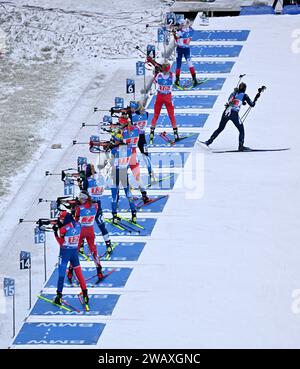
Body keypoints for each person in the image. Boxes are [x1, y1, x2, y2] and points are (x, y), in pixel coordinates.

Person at [204, 82, 255, 151]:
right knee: (241, 130)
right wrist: (256, 99)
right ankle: (241, 146)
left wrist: (241, 101)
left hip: (226, 112)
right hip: (234, 114)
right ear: (245, 89)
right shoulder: (245, 95)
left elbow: (230, 100)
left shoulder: (234, 93)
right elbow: (252, 105)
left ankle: (208, 142)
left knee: (220, 128)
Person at [52, 211, 89, 306]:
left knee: (61, 274)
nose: (60, 220)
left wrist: (55, 233)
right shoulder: (78, 225)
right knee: (79, 274)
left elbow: (61, 242)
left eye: (62, 219)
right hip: (74, 252)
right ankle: (85, 294)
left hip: (64, 253)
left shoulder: (63, 229)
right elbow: (71, 227)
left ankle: (58, 296)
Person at [67, 191, 103, 282]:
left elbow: (76, 220)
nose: (79, 200)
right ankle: (99, 271)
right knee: (94, 251)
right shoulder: (95, 206)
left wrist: (73, 210)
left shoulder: (79, 208)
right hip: (90, 230)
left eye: (80, 199)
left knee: (75, 252)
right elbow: (94, 204)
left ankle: (70, 272)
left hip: (80, 231)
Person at [81, 163, 112, 255]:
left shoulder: (86, 181)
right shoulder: (100, 178)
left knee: (82, 225)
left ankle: (81, 246)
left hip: (88, 206)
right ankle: (108, 245)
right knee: (102, 226)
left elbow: (83, 195)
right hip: (98, 205)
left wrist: (81, 185)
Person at [109, 131, 137, 224]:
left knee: (114, 196)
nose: (113, 141)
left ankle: (114, 216)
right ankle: (134, 215)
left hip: (115, 173)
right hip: (124, 172)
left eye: (114, 140)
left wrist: (111, 149)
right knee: (128, 194)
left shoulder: (114, 150)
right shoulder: (128, 148)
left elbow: (112, 163)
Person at [150, 62, 179, 144]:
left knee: (156, 115)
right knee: (171, 115)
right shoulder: (172, 75)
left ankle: (151, 133)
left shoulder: (158, 75)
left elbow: (155, 81)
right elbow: (173, 79)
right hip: (168, 97)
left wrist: (158, 70)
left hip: (159, 96)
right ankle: (176, 134)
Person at [129, 101, 155, 182]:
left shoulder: (131, 115)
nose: (131, 109)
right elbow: (141, 111)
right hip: (142, 138)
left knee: (131, 157)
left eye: (132, 108)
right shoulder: (146, 114)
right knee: (146, 156)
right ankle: (152, 176)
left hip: (134, 138)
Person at [172, 18, 198, 88]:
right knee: (190, 64)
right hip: (187, 49)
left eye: (180, 25)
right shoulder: (191, 30)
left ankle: (177, 81)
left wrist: (173, 33)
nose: (179, 26)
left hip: (180, 49)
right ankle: (194, 80)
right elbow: (189, 29)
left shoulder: (180, 32)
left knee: (178, 64)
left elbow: (177, 39)